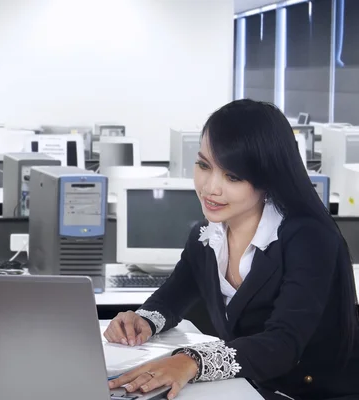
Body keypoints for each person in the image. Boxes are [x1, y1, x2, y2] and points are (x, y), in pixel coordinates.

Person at [104, 99, 359, 400]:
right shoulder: (207, 236)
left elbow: (283, 343)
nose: (211, 187)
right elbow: (172, 296)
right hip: (252, 387)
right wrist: (143, 319)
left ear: (268, 176)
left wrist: (191, 361)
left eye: (232, 176)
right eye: (203, 165)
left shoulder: (308, 238)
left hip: (316, 393)